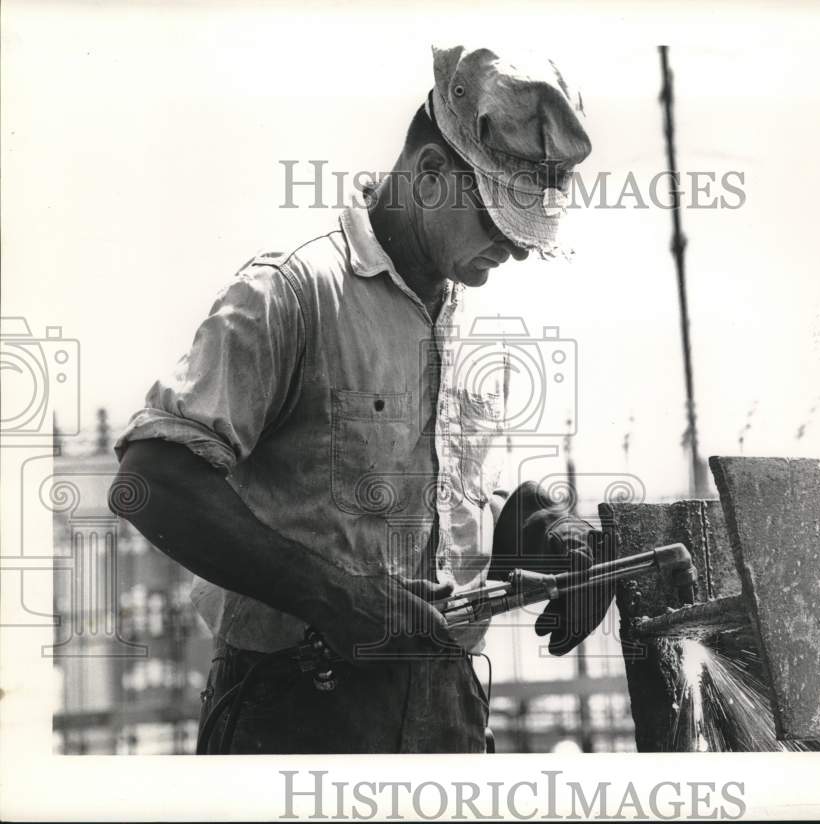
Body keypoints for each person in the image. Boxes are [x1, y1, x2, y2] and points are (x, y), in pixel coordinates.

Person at [112, 45, 613, 754]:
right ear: (432, 173)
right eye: (500, 220)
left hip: (450, 714)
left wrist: (535, 521)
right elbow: (150, 480)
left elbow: (444, 506)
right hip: (296, 717)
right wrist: (331, 595)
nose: (519, 250)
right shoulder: (291, 294)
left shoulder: (460, 314)